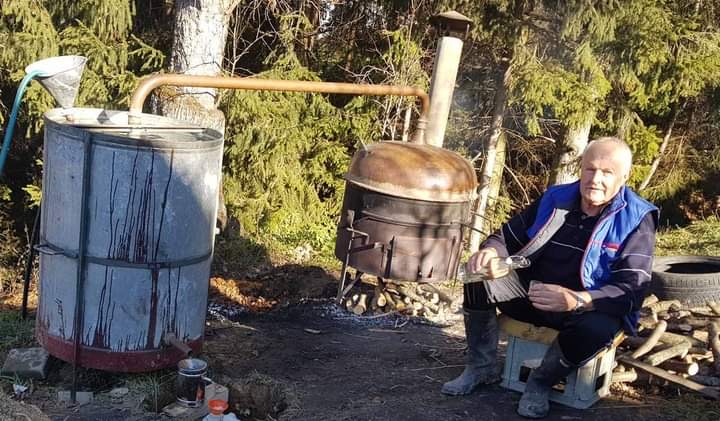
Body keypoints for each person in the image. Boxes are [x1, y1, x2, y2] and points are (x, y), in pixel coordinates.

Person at [441, 136, 658, 419]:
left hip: (583, 308)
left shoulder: (636, 218)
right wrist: (491, 254)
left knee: (596, 329)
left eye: (607, 173)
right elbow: (507, 237)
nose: (596, 179)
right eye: (590, 169)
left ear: (624, 176)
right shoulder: (556, 199)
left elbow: (631, 290)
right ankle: (481, 367)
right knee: (477, 276)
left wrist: (576, 300)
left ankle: (540, 382)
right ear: (581, 168)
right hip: (533, 294)